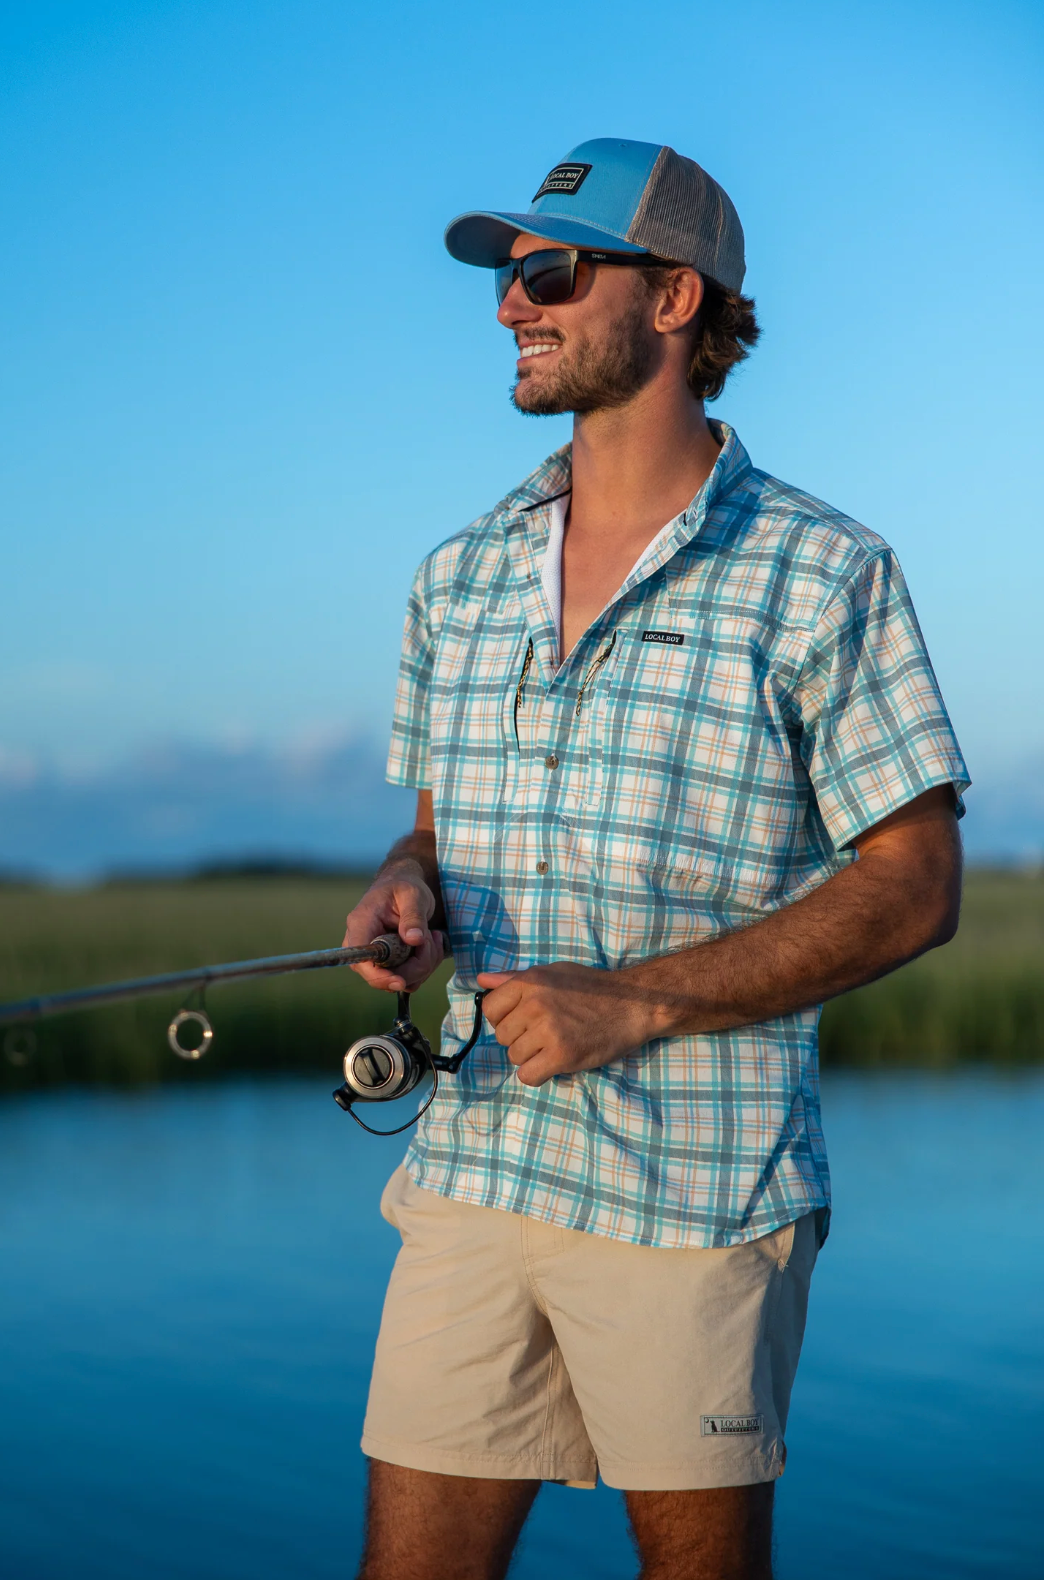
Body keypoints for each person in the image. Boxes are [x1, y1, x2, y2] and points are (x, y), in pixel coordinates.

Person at [342, 138, 968, 1580]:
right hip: (474, 1162)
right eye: (506, 282)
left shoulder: (826, 570)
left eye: (549, 273)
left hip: (697, 1197)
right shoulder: (457, 573)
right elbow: (431, 826)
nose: (512, 306)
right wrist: (404, 886)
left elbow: (914, 885)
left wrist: (633, 1004)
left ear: (675, 296)